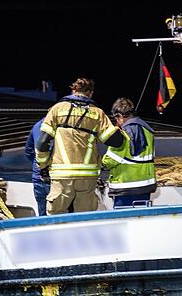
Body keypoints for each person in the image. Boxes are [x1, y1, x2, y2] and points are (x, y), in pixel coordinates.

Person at [35, 78, 125, 215]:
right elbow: (116, 141)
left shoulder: (57, 110)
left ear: (73, 90)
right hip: (87, 177)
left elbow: (42, 143)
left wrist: (43, 166)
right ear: (91, 93)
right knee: (84, 217)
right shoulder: (97, 113)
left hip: (61, 175)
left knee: (56, 217)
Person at [102, 98, 156, 207]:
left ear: (120, 116)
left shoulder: (123, 133)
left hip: (125, 187)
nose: (117, 122)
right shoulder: (148, 131)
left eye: (116, 118)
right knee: (141, 216)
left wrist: (100, 163)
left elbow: (110, 160)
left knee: (123, 217)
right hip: (145, 186)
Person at [24, 118, 52, 216]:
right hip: (54, 179)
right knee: (58, 214)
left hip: (38, 178)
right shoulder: (57, 127)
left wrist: (37, 164)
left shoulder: (37, 126)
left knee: (43, 215)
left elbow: (28, 151)